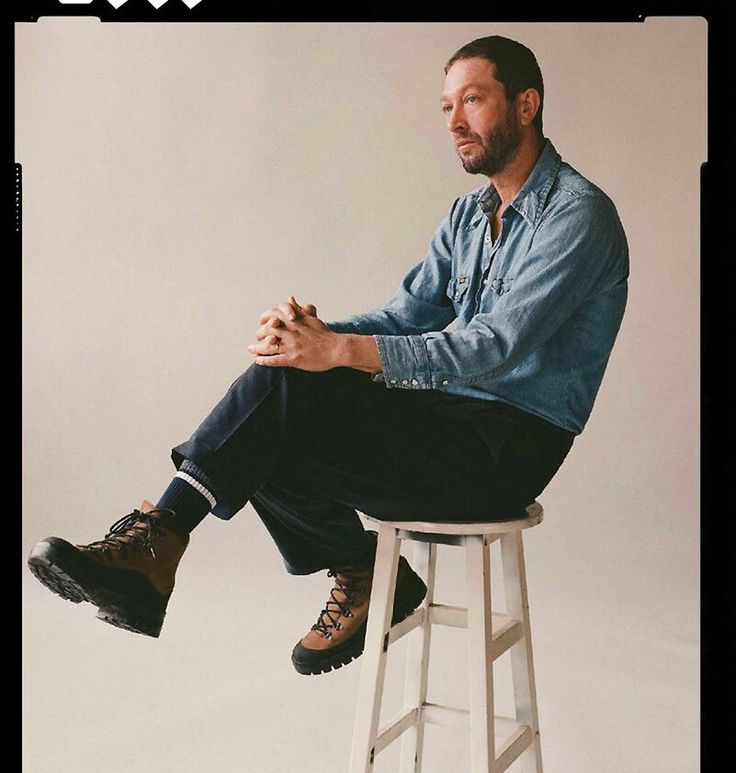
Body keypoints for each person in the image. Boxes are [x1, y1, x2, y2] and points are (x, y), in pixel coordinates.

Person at [27, 35, 629, 676]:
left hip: (507, 450)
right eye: (446, 105)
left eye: (473, 100)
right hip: (447, 424)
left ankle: (190, 548)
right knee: (279, 398)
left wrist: (335, 350)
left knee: (280, 408)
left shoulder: (577, 216)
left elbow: (492, 348)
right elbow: (405, 314)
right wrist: (312, 337)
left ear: (526, 104)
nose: (455, 121)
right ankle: (210, 551)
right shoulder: (470, 216)